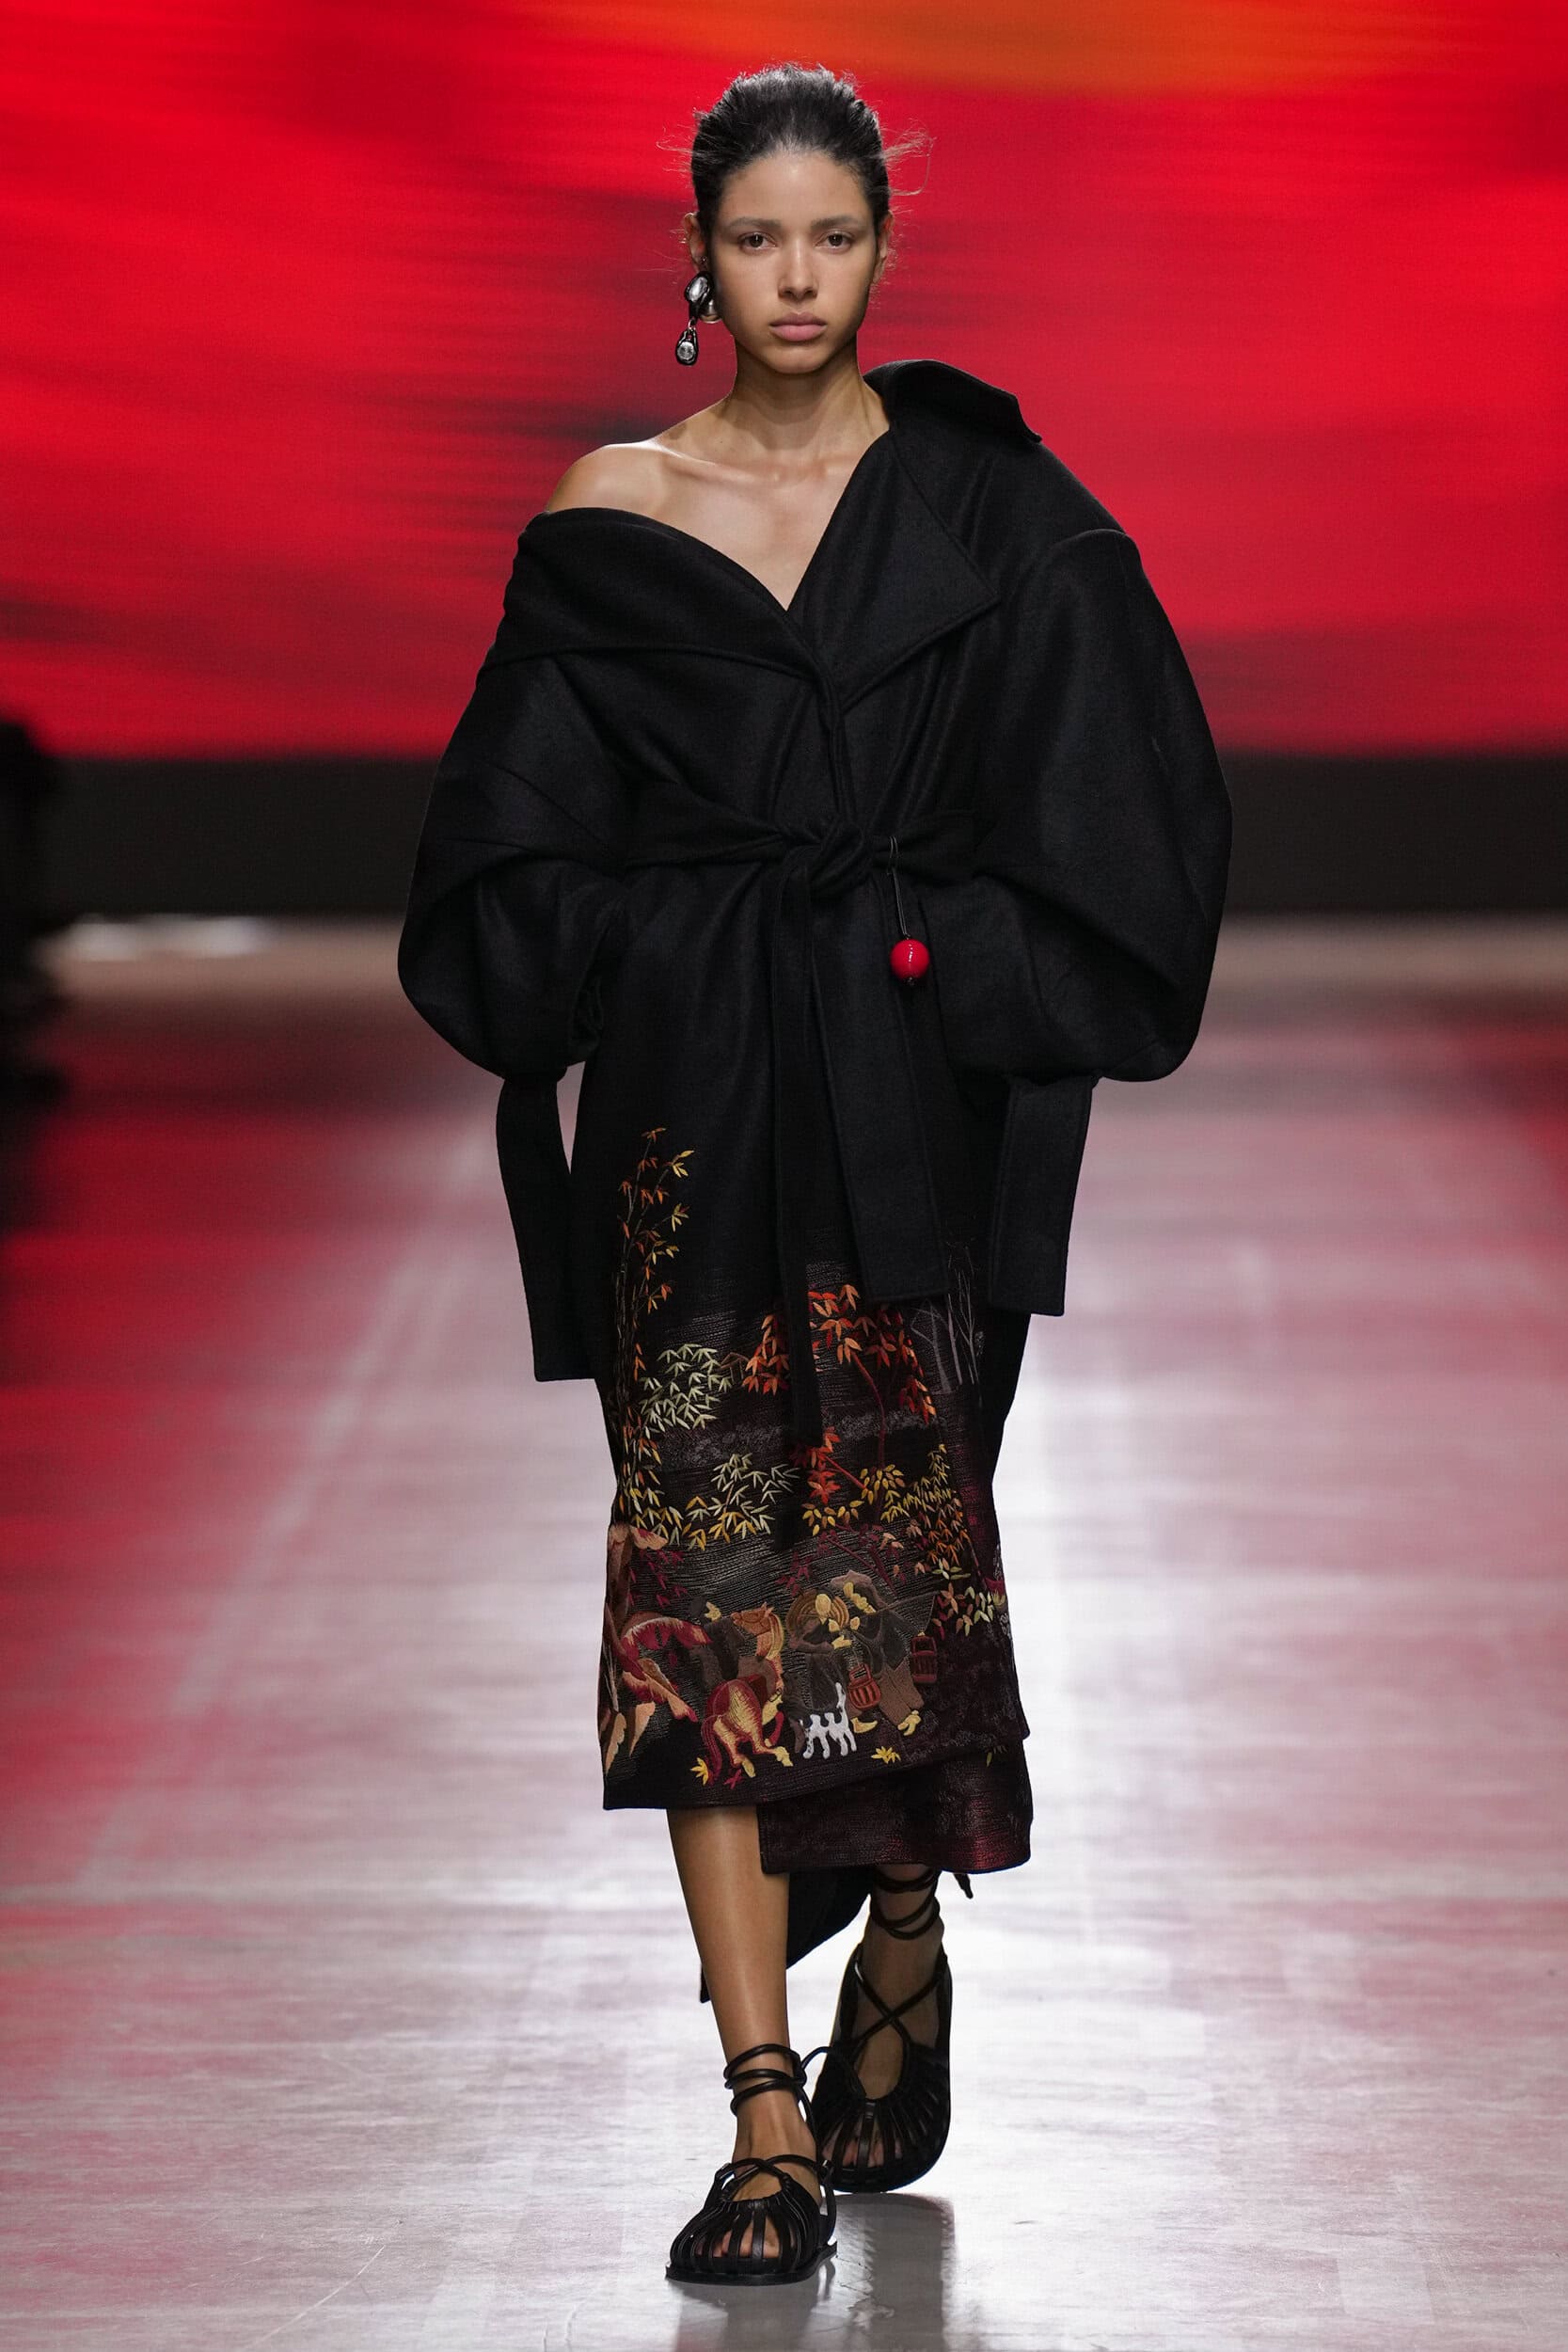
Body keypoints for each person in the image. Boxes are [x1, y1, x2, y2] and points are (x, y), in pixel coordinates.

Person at [398, 61, 1231, 2288]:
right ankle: (762, 2109)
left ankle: (900, 1920)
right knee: (697, 1602)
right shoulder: (615, 512)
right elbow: (501, 854)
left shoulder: (989, 513)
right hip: (684, 1132)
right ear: (699, 256)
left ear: (883, 250)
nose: (795, 277)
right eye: (757, 238)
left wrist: (919, 951)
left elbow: (1130, 808)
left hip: (905, 1133)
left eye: (833, 238)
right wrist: (671, 945)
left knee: (884, 1588)